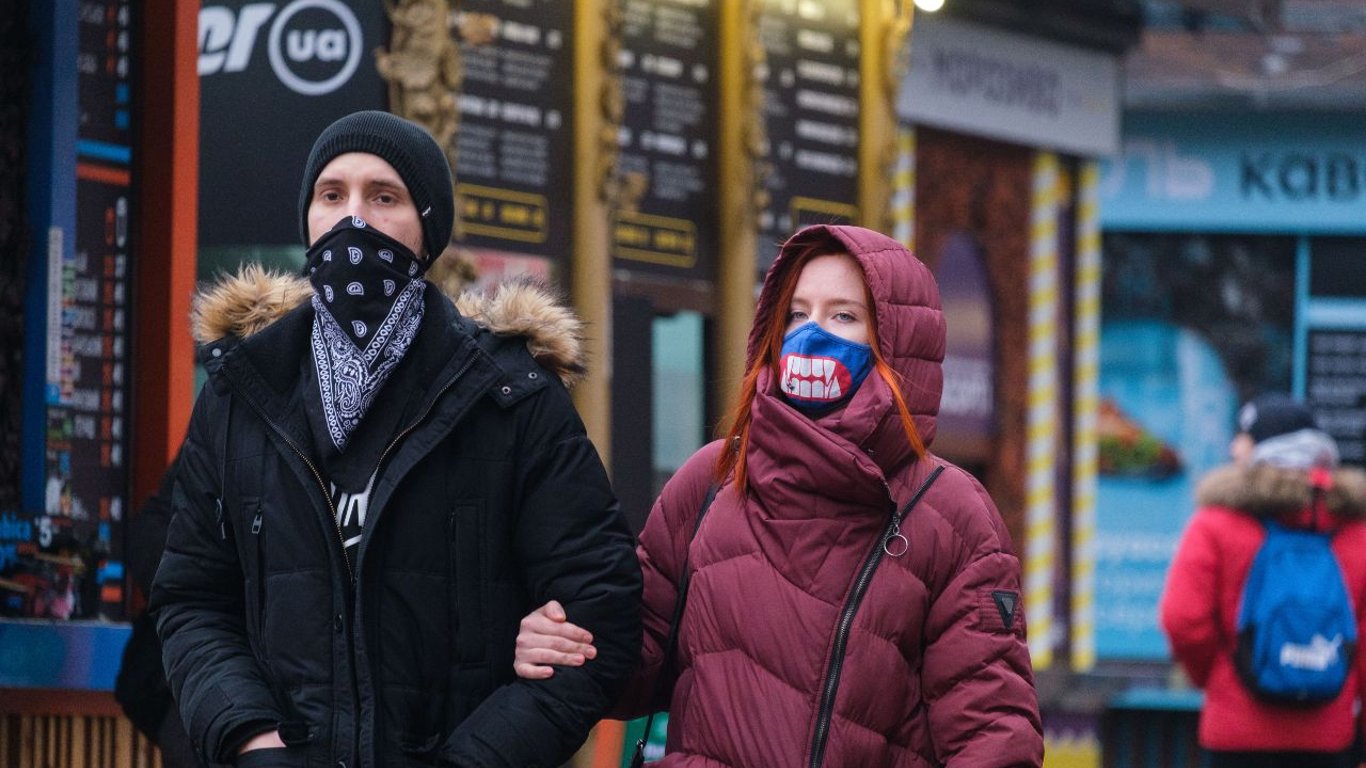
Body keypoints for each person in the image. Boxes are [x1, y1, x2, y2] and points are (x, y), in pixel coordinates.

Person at [149, 110, 642, 768]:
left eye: (384, 197)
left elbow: (598, 612)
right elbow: (191, 600)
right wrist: (250, 738)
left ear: (426, 229)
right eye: (332, 195)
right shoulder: (241, 395)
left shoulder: (510, 397)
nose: (353, 219)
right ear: (308, 219)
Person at [516, 225, 1044, 766]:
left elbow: (991, 734)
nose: (811, 333)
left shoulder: (950, 514)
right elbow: (635, 656)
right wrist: (563, 643)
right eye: (796, 313)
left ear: (897, 342)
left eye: (843, 316)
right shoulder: (713, 479)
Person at [1160, 394, 1366, 768]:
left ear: (1265, 450)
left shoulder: (1215, 523)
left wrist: (1219, 676)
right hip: (1328, 737)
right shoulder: (1355, 530)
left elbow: (1182, 619)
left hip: (1236, 734)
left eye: (1244, 438)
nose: (1233, 448)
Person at [115, 452, 204, 768]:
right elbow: (148, 530)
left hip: (300, 711)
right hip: (196, 699)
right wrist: (204, 589)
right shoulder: (227, 427)